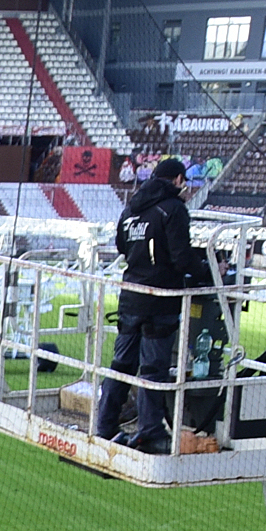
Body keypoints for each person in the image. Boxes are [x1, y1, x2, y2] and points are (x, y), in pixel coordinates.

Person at [95, 154, 197, 453]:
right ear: (178, 179)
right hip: (159, 300)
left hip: (130, 296)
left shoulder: (131, 209)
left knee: (121, 364)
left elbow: (121, 246)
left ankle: (105, 424)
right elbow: (180, 257)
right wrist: (203, 269)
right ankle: (150, 430)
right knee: (153, 368)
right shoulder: (174, 209)